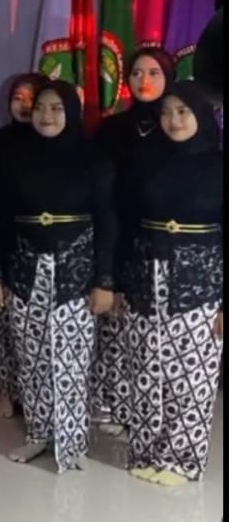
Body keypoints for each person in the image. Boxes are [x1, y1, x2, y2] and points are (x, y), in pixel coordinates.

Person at [0, 81, 115, 472]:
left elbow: (108, 223)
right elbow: (1, 220)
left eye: (56, 108)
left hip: (75, 271)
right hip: (25, 269)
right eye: (40, 108)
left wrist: (104, 280)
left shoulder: (94, 160)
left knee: (71, 358)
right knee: (31, 356)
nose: (46, 116)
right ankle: (38, 434)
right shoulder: (16, 159)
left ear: (71, 113)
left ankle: (71, 440)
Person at [124, 82, 222, 486]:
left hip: (200, 283)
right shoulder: (148, 160)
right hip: (146, 277)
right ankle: (148, 452)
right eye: (166, 112)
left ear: (201, 115)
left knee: (191, 375)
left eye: (183, 111)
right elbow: (128, 220)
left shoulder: (218, 165)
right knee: (146, 368)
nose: (173, 120)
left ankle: (181, 460)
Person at [92, 48, 176, 436]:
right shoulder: (111, 129)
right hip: (115, 233)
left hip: (159, 241)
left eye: (154, 72)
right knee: (113, 323)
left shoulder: (178, 124)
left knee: (150, 329)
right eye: (138, 72)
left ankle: (147, 409)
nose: (145, 80)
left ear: (168, 78)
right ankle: (110, 403)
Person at [0, 72, 49, 420]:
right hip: (4, 241)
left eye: (32, 98)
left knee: (40, 330)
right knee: (4, 325)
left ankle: (40, 397)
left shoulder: (54, 141)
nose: (24, 105)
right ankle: (9, 392)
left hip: (42, 247)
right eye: (17, 98)